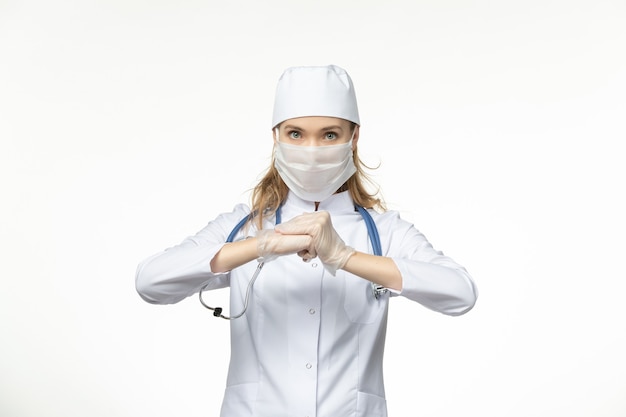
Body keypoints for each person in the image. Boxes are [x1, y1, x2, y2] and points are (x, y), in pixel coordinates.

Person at [135, 65, 478, 417]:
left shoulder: (384, 232)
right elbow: (150, 282)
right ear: (276, 137)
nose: (311, 151)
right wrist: (260, 245)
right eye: (296, 134)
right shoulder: (244, 226)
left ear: (354, 137)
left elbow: (461, 293)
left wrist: (345, 256)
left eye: (329, 135)